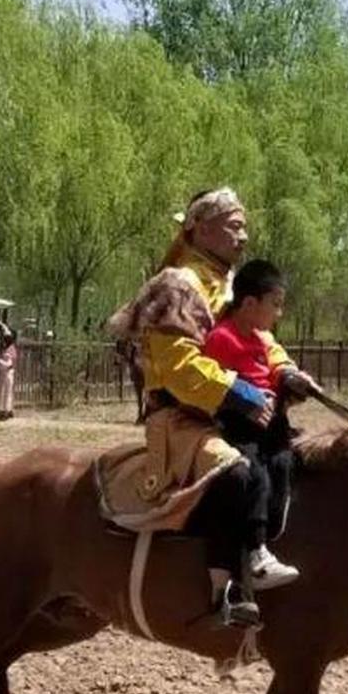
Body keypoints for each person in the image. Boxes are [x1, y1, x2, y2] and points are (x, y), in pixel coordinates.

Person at [99, 187, 318, 630]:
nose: (243, 236)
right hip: (181, 417)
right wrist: (240, 391)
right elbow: (180, 367)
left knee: (285, 458)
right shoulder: (177, 285)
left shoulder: (234, 286)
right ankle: (228, 590)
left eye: (244, 227)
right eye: (234, 226)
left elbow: (261, 342)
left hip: (224, 411)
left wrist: (286, 372)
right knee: (235, 472)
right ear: (199, 227)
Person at [200, 259, 304, 592]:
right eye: (275, 304)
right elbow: (217, 385)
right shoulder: (222, 338)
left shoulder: (262, 339)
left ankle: (269, 534)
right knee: (254, 473)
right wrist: (247, 399)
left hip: (269, 422)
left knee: (284, 462)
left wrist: (288, 386)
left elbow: (272, 370)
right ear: (249, 303)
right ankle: (256, 552)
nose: (279, 312)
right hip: (238, 423)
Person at [0, 328, 18, 419]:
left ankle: (5, 412)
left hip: (7, 373)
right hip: (5, 373)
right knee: (5, 391)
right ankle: (6, 410)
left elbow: (9, 364)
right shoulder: (9, 349)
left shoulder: (10, 350)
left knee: (5, 392)